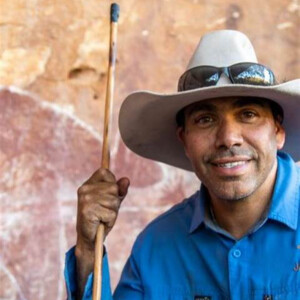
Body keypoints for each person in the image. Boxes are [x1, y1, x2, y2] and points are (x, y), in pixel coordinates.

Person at [65, 30, 300, 300]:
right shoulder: (155, 248)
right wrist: (87, 249)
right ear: (184, 140)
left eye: (248, 114)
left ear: (278, 131)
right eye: (205, 119)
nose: (228, 138)